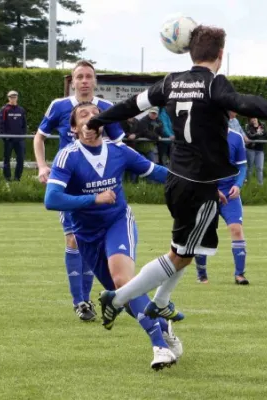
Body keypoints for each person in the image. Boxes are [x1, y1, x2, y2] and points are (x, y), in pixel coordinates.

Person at [82, 25, 267, 336]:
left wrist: (97, 119)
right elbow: (241, 102)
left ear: (189, 52)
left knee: (188, 248)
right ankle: (118, 298)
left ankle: (160, 301)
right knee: (180, 255)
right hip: (200, 185)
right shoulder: (215, 83)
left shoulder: (171, 83)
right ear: (220, 54)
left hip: (176, 180)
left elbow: (131, 104)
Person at [44, 102, 182, 369]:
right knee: (123, 295)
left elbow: (156, 173)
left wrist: (194, 184)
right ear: (74, 128)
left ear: (103, 124)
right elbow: (52, 199)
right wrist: (94, 198)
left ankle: (160, 346)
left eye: (96, 115)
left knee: (123, 280)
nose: (90, 119)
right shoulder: (67, 156)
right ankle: (164, 326)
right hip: (87, 234)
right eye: (83, 115)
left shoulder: (119, 151)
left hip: (118, 221)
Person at [34, 59, 125, 322]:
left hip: (103, 186)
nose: (84, 81)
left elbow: (119, 145)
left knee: (94, 244)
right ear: (72, 81)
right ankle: (81, 302)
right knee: (74, 239)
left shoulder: (107, 108)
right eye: (79, 77)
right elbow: (39, 136)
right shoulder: (59, 106)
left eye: (89, 76)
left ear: (95, 81)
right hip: (72, 186)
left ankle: (104, 294)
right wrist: (42, 166)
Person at [195, 129, 249, 284]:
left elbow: (242, 166)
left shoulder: (236, 137)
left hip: (230, 194)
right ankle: (202, 275)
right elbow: (196, 169)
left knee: (236, 229)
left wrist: (238, 185)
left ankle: (240, 275)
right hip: (207, 191)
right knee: (203, 233)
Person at [0, 91, 27, 182]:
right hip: (9, 140)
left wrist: (23, 135)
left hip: (19, 139)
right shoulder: (4, 109)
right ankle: (7, 178)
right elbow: (1, 124)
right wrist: (4, 137)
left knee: (21, 159)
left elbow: (24, 124)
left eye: (14, 97)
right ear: (8, 98)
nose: (13, 99)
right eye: (11, 97)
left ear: (17, 98)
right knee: (7, 159)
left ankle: (17, 178)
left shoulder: (21, 110)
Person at [244, 117, 267, 185]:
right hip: (250, 149)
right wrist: (258, 134)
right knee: (250, 168)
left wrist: (257, 138)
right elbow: (249, 136)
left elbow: (266, 136)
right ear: (250, 120)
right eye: (251, 118)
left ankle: (260, 185)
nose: (253, 119)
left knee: (260, 168)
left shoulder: (263, 125)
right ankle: (247, 184)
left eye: (254, 117)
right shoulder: (248, 126)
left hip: (260, 150)